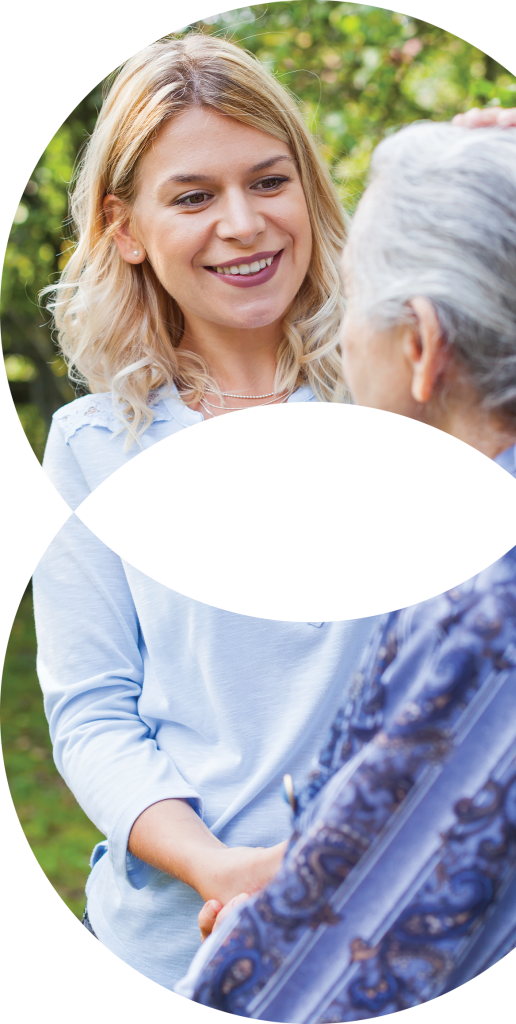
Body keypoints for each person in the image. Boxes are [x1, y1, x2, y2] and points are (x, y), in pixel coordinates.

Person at [176, 122, 516, 1015]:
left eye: (353, 306)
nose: (340, 343)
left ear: (422, 343)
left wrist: (250, 935)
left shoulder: (505, 598)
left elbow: (305, 994)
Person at [32, 32, 383, 992]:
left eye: (269, 181)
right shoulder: (95, 447)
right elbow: (95, 715)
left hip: (397, 922)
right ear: (127, 227)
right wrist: (218, 868)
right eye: (193, 196)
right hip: (180, 945)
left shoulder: (404, 394)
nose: (244, 223)